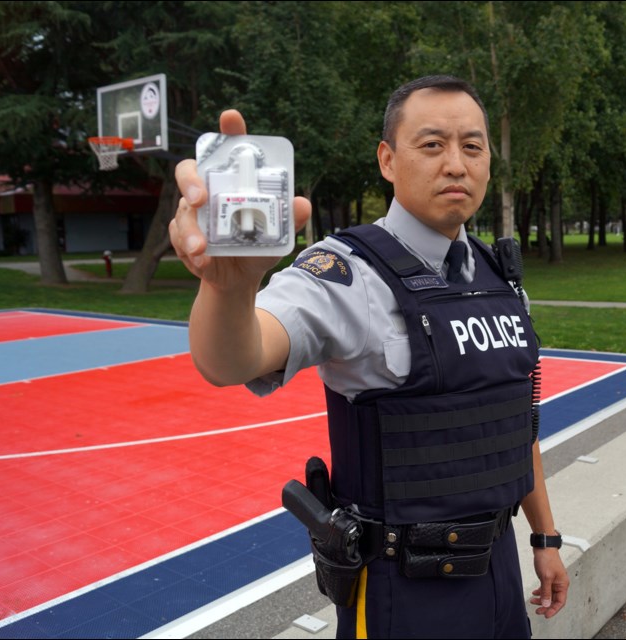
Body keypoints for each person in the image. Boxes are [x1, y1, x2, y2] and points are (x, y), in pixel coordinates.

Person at [169, 75, 569, 639]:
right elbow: (234, 359)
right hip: (404, 594)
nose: (455, 163)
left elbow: (511, 425)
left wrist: (544, 537)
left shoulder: (494, 274)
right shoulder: (346, 273)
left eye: (472, 146)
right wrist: (229, 286)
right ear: (387, 159)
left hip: (501, 574)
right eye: (432, 145)